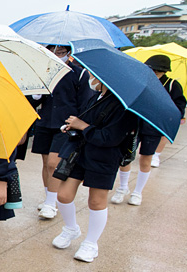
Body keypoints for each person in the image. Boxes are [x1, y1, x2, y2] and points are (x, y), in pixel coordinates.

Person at [51, 74, 138, 262]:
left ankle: (91, 243)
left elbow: (109, 137)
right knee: (63, 195)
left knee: (97, 201)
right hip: (79, 152)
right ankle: (71, 228)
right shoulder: (96, 96)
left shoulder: (123, 106)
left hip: (104, 158)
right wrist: (73, 125)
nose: (91, 77)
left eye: (94, 75)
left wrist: (83, 126)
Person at [111, 55, 186, 205]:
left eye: (159, 71)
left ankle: (137, 192)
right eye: (152, 70)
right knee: (125, 157)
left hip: (153, 128)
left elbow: (178, 108)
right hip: (133, 125)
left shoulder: (172, 85)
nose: (155, 73)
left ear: (165, 71)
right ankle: (122, 188)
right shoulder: (139, 80)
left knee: (146, 159)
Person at [31, 45, 94, 220]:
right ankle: (48, 198)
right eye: (53, 52)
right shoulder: (45, 71)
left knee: (54, 163)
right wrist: (36, 95)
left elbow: (85, 102)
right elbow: (34, 101)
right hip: (45, 121)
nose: (56, 55)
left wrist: (78, 123)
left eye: (60, 52)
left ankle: (51, 203)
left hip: (66, 124)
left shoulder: (79, 74)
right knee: (46, 163)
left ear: (69, 53)